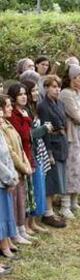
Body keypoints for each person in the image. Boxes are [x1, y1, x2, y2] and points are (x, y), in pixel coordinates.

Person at [59, 64, 80, 218]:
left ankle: (74, 203)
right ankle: (65, 205)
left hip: (79, 135)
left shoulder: (78, 93)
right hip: (70, 136)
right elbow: (78, 117)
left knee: (79, 168)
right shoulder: (65, 94)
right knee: (70, 169)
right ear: (72, 79)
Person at [0, 95, 33, 245]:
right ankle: (12, 237)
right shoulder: (3, 127)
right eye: (7, 106)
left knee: (19, 202)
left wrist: (25, 162)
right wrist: (22, 166)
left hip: (16, 170)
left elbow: (19, 145)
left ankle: (19, 231)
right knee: (10, 206)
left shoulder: (7, 124)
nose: (10, 109)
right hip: (10, 172)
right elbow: (10, 151)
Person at [7, 83, 38, 240]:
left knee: (27, 194)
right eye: (20, 94)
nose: (24, 96)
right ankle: (18, 229)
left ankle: (24, 226)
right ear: (13, 97)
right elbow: (23, 134)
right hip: (18, 157)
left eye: (25, 93)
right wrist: (26, 120)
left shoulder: (25, 111)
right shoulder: (13, 114)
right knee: (19, 196)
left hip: (28, 154)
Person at [37, 75, 68, 228]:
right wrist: (48, 153)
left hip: (61, 142)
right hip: (51, 143)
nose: (57, 89)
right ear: (47, 88)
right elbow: (45, 129)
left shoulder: (60, 103)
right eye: (53, 87)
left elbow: (64, 123)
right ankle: (47, 212)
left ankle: (51, 211)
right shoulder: (43, 106)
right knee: (51, 179)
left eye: (58, 86)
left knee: (59, 178)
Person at [22, 79, 53, 233]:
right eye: (32, 91)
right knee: (32, 188)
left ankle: (34, 222)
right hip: (31, 151)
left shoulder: (33, 108)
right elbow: (29, 134)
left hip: (39, 151)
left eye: (36, 90)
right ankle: (27, 224)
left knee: (39, 186)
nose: (35, 93)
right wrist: (44, 129)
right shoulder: (25, 111)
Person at [0, 103, 20, 263]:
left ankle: (6, 243)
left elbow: (7, 157)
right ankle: (4, 246)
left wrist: (13, 174)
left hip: (6, 181)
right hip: (2, 181)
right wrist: (10, 177)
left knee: (6, 214)